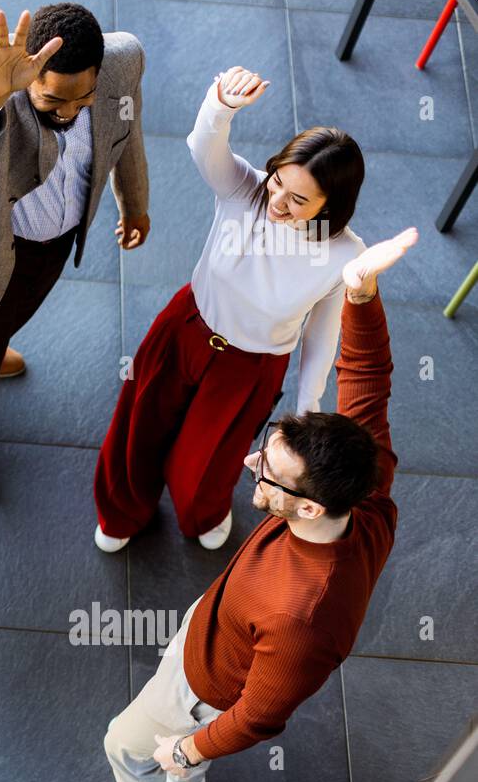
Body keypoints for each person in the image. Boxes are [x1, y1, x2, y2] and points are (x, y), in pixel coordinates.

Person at [102, 228, 414, 782]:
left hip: (205, 687)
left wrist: (187, 749)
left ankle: (168, 781)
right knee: (175, 725)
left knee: (123, 744)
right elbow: (370, 381)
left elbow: (258, 717)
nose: (249, 461)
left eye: (266, 471)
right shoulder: (364, 481)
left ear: (309, 506)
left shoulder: (304, 619)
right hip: (219, 626)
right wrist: (361, 294)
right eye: (266, 448)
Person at [94, 66, 368, 552]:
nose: (278, 200)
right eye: (279, 181)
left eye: (299, 198)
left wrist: (308, 406)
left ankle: (201, 512)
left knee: (211, 457)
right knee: (139, 424)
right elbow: (204, 145)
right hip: (187, 328)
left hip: (253, 364)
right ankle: (122, 511)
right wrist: (221, 104)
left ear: (330, 205)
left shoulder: (346, 254)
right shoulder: (245, 188)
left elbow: (324, 332)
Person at [0, 2, 150, 498]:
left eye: (82, 98)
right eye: (52, 101)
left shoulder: (124, 59)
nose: (68, 112)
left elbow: (126, 133)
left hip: (53, 241)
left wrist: (135, 204)